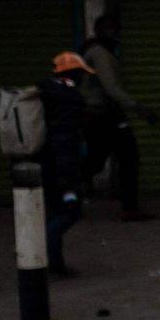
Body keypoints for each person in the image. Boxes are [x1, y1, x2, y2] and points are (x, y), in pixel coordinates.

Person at [81, 12, 160, 221]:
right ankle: (129, 207)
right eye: (110, 29)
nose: (114, 33)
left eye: (115, 29)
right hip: (104, 116)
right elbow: (111, 88)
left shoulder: (98, 51)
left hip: (102, 115)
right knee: (121, 158)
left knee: (99, 160)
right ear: (99, 31)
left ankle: (60, 195)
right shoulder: (99, 53)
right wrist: (139, 108)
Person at [38, 53, 91, 276]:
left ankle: (52, 261)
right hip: (62, 165)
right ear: (73, 73)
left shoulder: (48, 93)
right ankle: (43, 252)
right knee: (70, 211)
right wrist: (69, 179)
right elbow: (64, 140)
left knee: (55, 211)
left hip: (46, 163)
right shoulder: (68, 99)